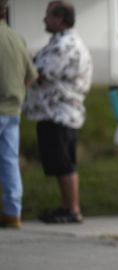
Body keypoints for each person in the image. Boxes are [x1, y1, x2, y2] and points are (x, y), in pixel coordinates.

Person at [23, 1, 92, 223]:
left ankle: (72, 209)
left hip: (61, 113)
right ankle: (66, 206)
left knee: (64, 163)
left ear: (60, 19)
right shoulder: (58, 42)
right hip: (52, 112)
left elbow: (39, 73)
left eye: (48, 16)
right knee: (59, 162)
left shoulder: (66, 45)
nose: (44, 20)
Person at [0, 0, 38, 228]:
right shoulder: (16, 38)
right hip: (13, 109)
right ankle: (13, 213)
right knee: (9, 163)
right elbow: (31, 76)